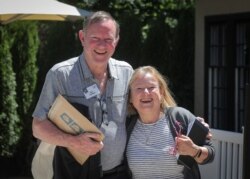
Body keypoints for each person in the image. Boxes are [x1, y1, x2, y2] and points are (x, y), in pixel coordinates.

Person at [32, 11, 133, 179]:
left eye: (108, 39)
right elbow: (38, 127)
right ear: (82, 37)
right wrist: (73, 142)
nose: (101, 45)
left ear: (116, 41)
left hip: (118, 173)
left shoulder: (126, 72)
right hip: (75, 173)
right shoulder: (60, 74)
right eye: (95, 38)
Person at [125, 66, 215, 179]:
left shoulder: (180, 117)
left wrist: (194, 150)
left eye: (151, 87)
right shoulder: (126, 126)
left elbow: (210, 153)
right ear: (130, 98)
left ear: (161, 92)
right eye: (139, 88)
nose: (146, 92)